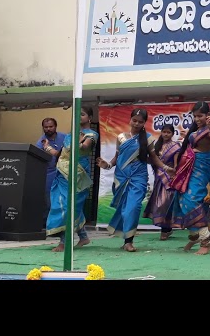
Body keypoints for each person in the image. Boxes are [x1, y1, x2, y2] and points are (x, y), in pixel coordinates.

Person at [96, 108, 174, 252]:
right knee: (125, 209)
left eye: (140, 122)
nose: (137, 124)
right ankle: (127, 238)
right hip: (121, 177)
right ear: (130, 120)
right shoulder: (121, 137)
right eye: (135, 120)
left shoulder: (148, 138)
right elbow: (116, 157)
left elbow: (154, 158)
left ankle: (129, 241)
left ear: (145, 123)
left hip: (139, 177)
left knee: (133, 208)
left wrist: (165, 168)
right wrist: (106, 165)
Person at [169, 101, 210, 254]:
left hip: (203, 168)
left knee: (192, 199)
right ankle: (194, 236)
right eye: (195, 116)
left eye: (201, 116)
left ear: (208, 115)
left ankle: (206, 240)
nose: (198, 119)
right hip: (190, 167)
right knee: (183, 199)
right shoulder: (196, 131)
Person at [45, 107, 97, 252]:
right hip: (62, 174)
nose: (78, 117)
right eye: (76, 115)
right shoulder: (70, 135)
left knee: (70, 206)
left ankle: (64, 242)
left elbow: (83, 148)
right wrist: (48, 148)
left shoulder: (92, 134)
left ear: (90, 118)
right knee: (63, 204)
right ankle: (83, 236)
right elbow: (58, 153)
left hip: (78, 174)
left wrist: (79, 141)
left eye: (82, 114)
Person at [142, 124, 181, 240]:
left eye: (168, 132)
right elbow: (153, 160)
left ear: (173, 134)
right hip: (159, 179)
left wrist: (174, 174)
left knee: (166, 204)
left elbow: (176, 164)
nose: (166, 134)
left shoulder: (176, 146)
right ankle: (166, 229)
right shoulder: (156, 146)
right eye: (164, 132)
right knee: (159, 204)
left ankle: (165, 229)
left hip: (169, 179)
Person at [36, 118, 66, 223]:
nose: (48, 129)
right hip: (48, 174)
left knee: (63, 200)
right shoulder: (41, 142)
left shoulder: (64, 137)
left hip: (63, 173)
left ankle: (62, 224)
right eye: (46, 127)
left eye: (51, 126)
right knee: (49, 201)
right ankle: (48, 224)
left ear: (55, 126)